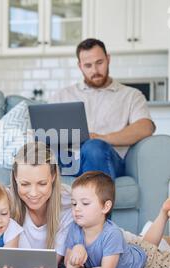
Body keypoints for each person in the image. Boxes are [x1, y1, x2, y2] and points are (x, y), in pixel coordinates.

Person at [49, 38, 155, 179]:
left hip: (107, 158)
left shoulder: (131, 95)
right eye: (88, 65)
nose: (95, 70)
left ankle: (98, 199)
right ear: (80, 66)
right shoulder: (62, 95)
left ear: (108, 59)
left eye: (99, 63)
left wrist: (102, 138)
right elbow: (46, 133)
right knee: (42, 156)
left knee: (94, 147)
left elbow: (145, 127)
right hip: (70, 161)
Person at [65, 171, 170, 268]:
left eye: (85, 203)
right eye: (74, 203)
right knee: (148, 245)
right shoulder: (74, 228)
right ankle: (164, 212)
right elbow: (68, 266)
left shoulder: (112, 233)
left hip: (146, 261)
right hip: (131, 248)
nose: (77, 208)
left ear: (105, 207)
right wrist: (76, 251)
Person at [4, 141, 74, 268]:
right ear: (15, 178)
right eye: (25, 184)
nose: (34, 193)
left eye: (42, 183)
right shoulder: (4, 201)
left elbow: (52, 262)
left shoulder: (70, 204)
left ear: (53, 177)